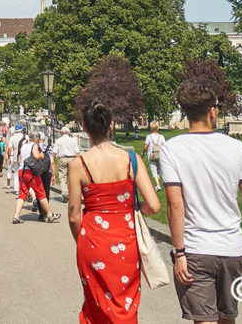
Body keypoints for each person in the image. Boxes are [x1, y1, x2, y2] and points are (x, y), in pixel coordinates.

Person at [161, 76, 242, 324]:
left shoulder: (173, 148)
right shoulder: (236, 147)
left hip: (196, 247)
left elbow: (175, 205)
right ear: (212, 112)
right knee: (227, 317)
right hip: (231, 248)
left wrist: (179, 253)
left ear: (186, 112)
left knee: (204, 320)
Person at [67, 94, 160, 323]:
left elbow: (73, 215)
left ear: (84, 128)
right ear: (111, 125)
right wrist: (130, 207)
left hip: (93, 242)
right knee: (125, 302)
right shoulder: (130, 159)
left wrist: (83, 240)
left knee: (95, 304)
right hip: (125, 240)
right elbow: (154, 205)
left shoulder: (78, 165)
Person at [12, 134, 59, 224]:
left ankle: (16, 216)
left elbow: (20, 158)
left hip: (22, 171)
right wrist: (41, 155)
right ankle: (49, 214)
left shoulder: (23, 146)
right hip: (31, 172)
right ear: (35, 138)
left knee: (22, 194)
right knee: (41, 193)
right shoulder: (34, 146)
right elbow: (36, 156)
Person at [54, 126, 81, 202]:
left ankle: (64, 192)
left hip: (63, 158)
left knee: (62, 177)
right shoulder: (73, 140)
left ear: (62, 132)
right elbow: (77, 152)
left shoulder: (59, 140)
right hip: (72, 158)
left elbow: (55, 152)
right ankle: (70, 193)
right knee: (71, 177)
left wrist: (53, 161)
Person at [34, 132, 56, 221]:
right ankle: (46, 211)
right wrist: (53, 174)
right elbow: (52, 162)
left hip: (38, 172)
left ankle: (41, 213)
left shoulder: (35, 147)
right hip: (47, 172)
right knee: (46, 192)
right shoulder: (49, 147)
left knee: (38, 191)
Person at [142, 122, 165, 191]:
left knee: (154, 171)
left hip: (151, 155)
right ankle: (157, 184)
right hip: (160, 155)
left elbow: (145, 147)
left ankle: (157, 185)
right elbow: (164, 146)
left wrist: (143, 153)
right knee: (159, 171)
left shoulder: (149, 136)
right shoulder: (161, 137)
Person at [6, 124, 26, 194]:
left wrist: (9, 157)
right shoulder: (25, 137)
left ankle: (17, 189)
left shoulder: (12, 138)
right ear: (21, 130)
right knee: (25, 173)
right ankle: (25, 188)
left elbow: (9, 149)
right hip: (24, 157)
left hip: (15, 157)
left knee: (16, 173)